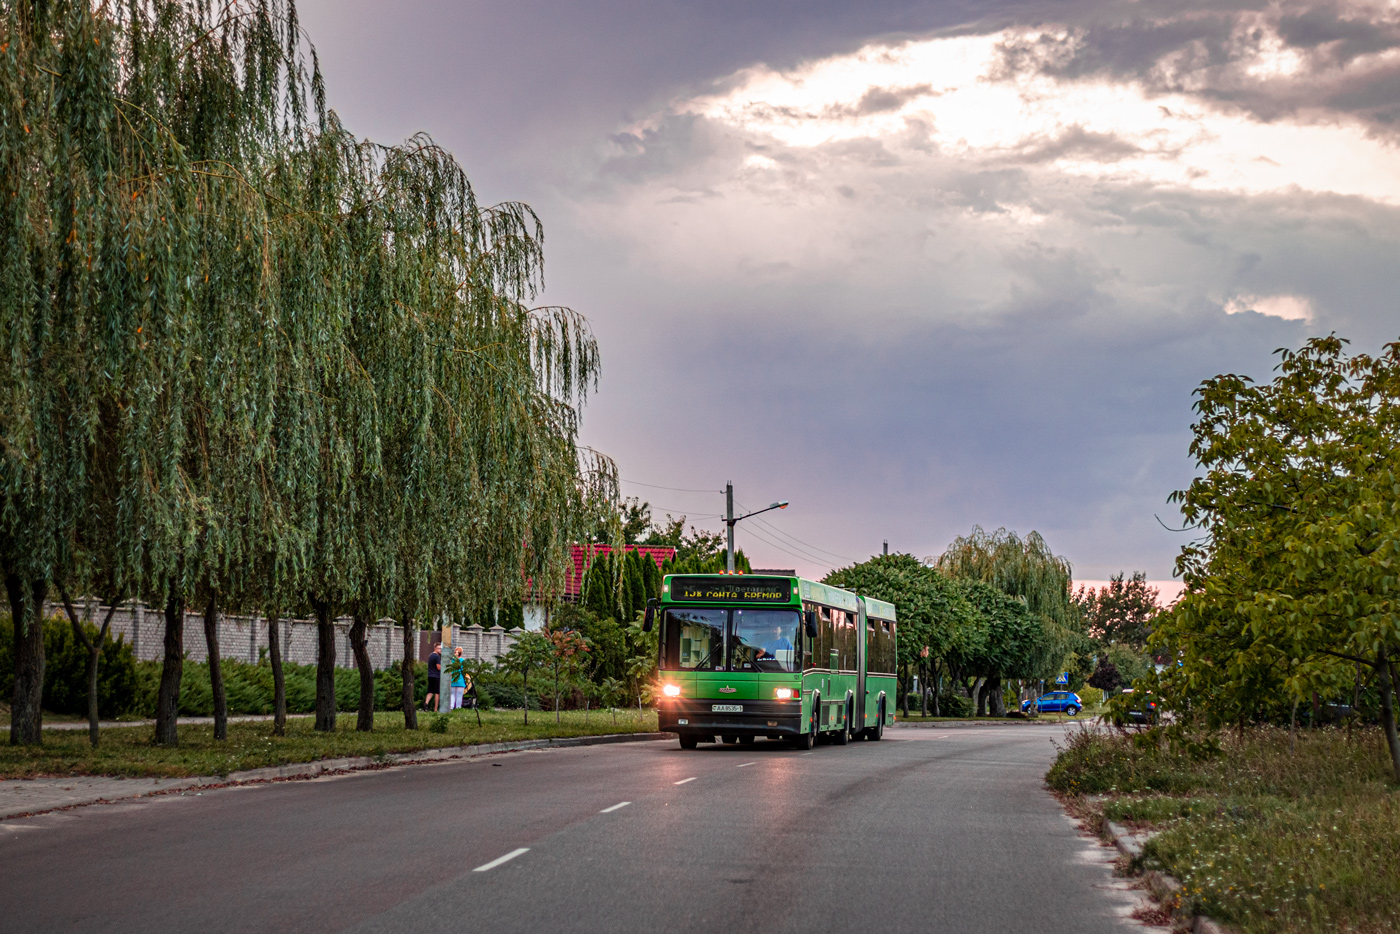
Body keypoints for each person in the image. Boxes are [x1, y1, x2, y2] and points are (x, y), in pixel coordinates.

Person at [424, 642, 442, 711]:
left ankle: (426, 703)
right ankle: (435, 709)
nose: (440, 650)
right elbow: (438, 667)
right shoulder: (437, 656)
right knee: (437, 693)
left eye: (441, 649)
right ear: (435, 648)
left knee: (430, 691)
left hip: (430, 675)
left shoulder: (431, 655)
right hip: (436, 676)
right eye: (439, 648)